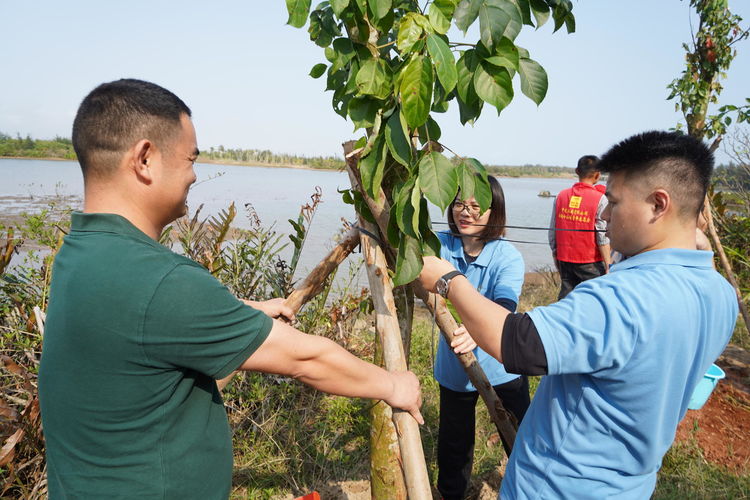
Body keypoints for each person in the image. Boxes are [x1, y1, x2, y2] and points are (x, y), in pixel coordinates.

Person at [38, 79, 423, 499]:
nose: (193, 175)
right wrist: (393, 385)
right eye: (189, 159)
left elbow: (134, 321)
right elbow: (307, 359)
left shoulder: (80, 252)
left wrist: (241, 311)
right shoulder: (162, 281)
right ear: (145, 159)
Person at [419, 131, 738, 499]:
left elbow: (517, 343)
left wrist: (449, 281)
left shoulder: (619, 300)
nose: (603, 213)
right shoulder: (719, 293)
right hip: (628, 486)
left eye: (614, 202)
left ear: (658, 204)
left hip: (558, 487)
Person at [435, 176, 529, 500]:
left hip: (502, 367)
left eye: (477, 206)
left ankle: (529, 490)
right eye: (460, 203)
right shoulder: (441, 245)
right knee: (453, 443)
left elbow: (505, 303)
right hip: (454, 367)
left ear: (494, 212)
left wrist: (477, 331)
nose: (466, 212)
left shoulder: (507, 256)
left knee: (520, 435)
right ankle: (451, 494)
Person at [548, 155, 611, 299]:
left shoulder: (561, 196)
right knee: (595, 299)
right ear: (597, 175)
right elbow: (602, 236)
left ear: (577, 171)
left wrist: (555, 253)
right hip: (590, 262)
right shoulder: (600, 199)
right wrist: (608, 264)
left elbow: (552, 231)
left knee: (567, 299)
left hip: (564, 259)